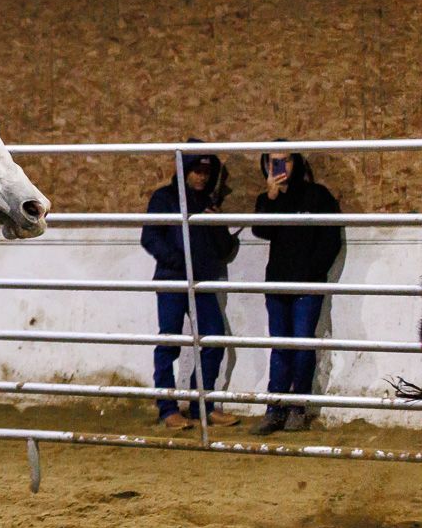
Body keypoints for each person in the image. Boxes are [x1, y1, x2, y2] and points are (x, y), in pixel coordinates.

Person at [140, 145, 242, 430]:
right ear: (185, 170)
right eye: (197, 171)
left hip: (202, 282)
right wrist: (181, 262)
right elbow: (150, 238)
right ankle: (166, 407)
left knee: (214, 339)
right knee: (170, 342)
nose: (202, 177)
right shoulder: (164, 198)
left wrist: (217, 224)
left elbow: (222, 249)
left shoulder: (207, 202)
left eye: (207, 172)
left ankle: (202, 405)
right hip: (173, 280)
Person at [250, 149, 343, 434]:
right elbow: (260, 231)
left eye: (285, 159)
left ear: (296, 162)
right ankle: (274, 408)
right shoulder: (267, 199)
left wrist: (312, 273)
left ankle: (297, 408)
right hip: (277, 283)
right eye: (273, 161)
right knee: (280, 346)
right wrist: (271, 198)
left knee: (302, 345)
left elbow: (331, 239)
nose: (279, 166)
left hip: (306, 285)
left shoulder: (317, 195)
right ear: (265, 164)